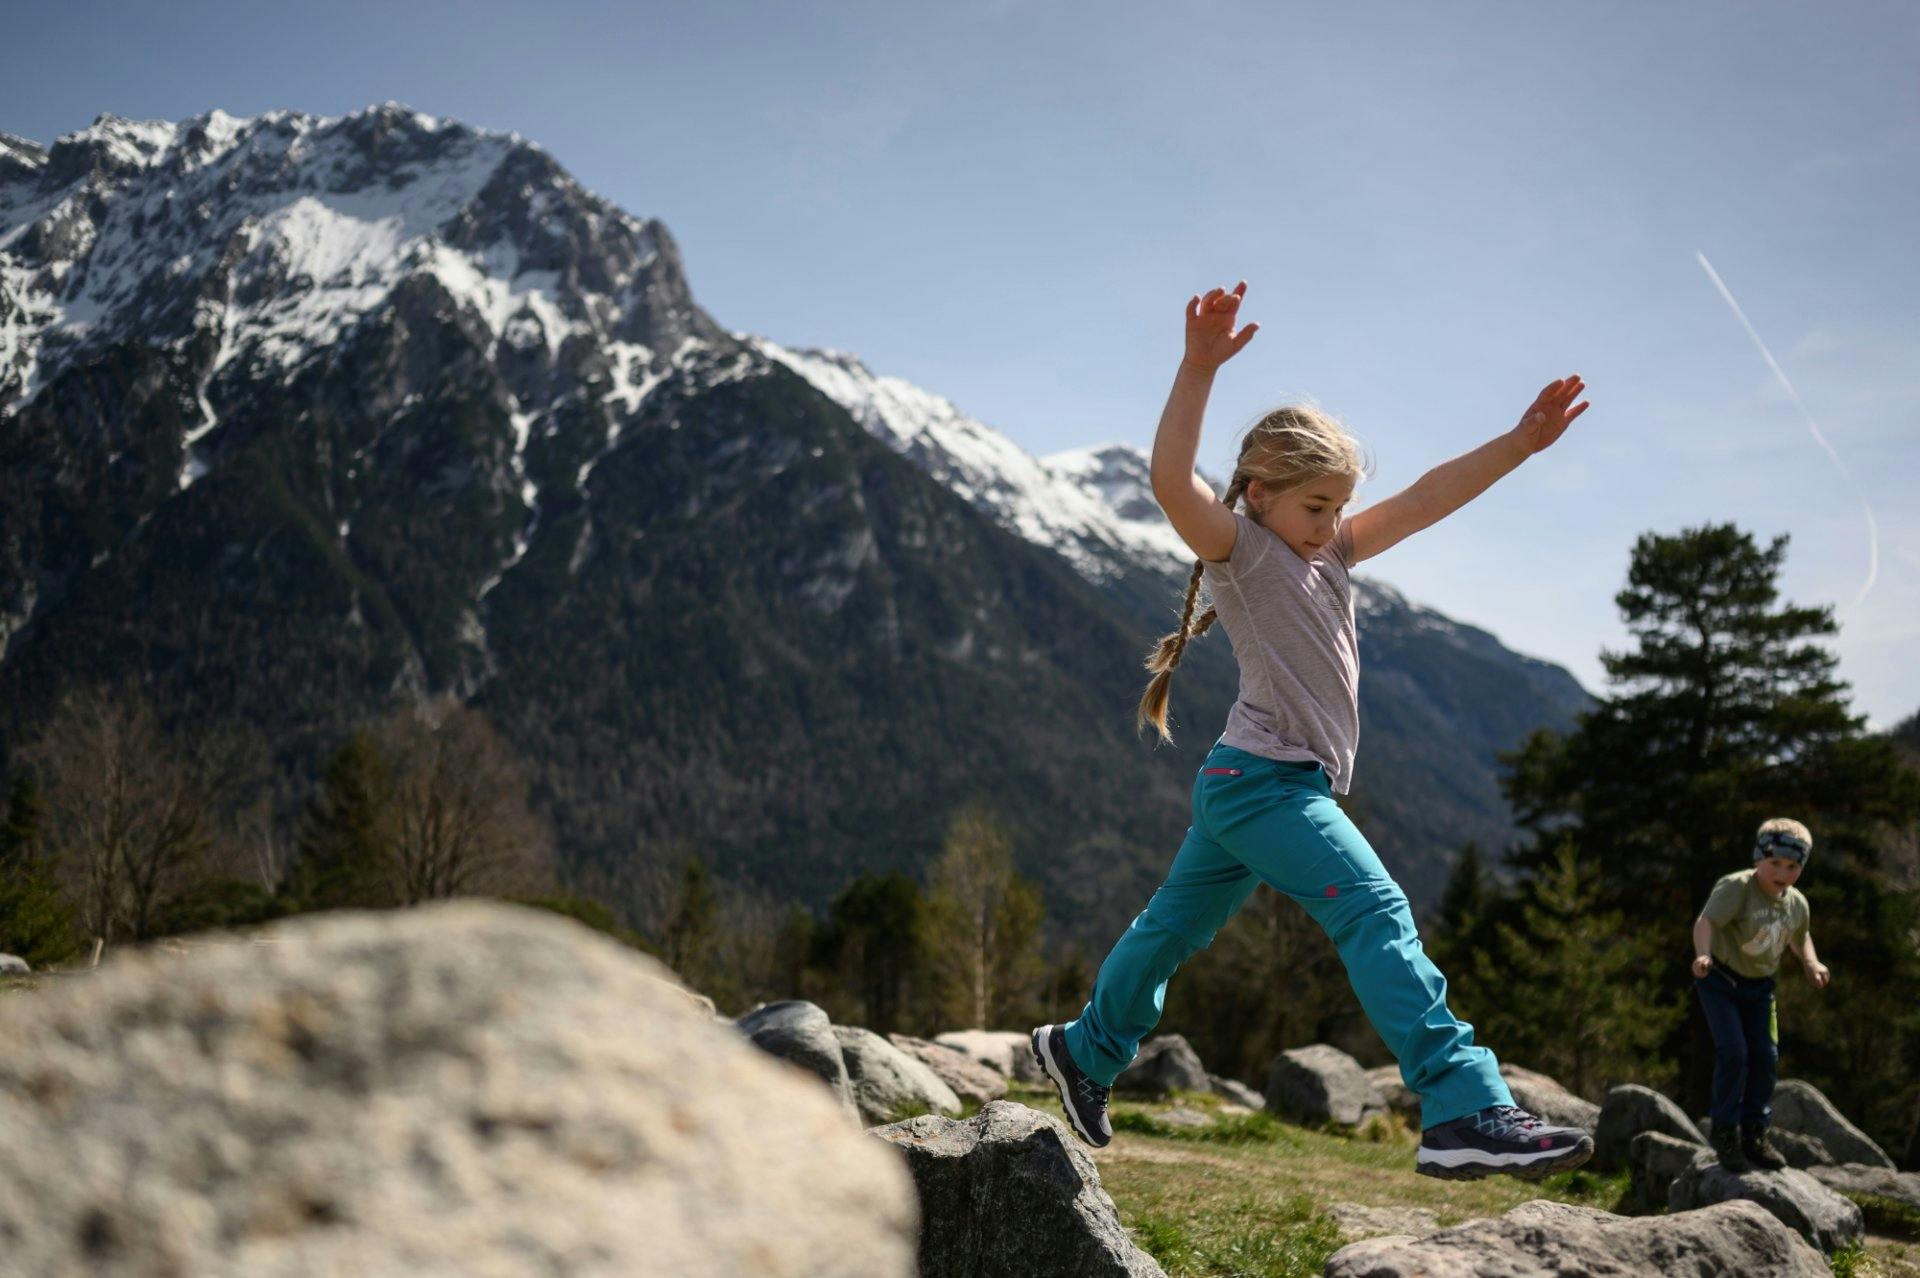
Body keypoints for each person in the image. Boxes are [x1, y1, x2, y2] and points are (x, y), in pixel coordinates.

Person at [1031, 281, 1594, 1180]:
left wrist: (1519, 445)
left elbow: (1427, 497)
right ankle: (1463, 1106)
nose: (1331, 526)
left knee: (1170, 932)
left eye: (1338, 507)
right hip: (1267, 786)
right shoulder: (1242, 552)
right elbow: (1170, 481)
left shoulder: (1329, 554)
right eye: (1315, 507)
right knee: (1376, 911)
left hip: (1239, 786)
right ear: (1258, 495)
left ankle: (1085, 1051)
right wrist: (1197, 369)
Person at [1691, 818, 1828, 1172]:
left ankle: (1754, 1134)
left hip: (1760, 989)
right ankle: (1724, 1133)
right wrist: (1702, 953)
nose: (1782, 872)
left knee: (1765, 1058)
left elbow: (1800, 936)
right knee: (1734, 1051)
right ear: (1758, 859)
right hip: (1720, 980)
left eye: (1793, 866)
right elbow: (1707, 921)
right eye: (1775, 863)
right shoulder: (1737, 887)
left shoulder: (1797, 903)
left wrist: (1811, 963)